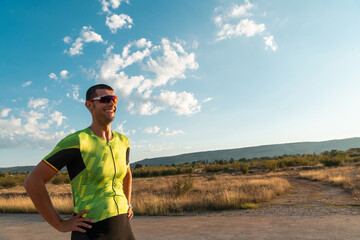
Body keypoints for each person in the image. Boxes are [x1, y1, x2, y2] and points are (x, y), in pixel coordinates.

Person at [24, 84, 136, 240]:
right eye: (105, 99)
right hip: (92, 231)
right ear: (90, 105)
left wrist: (127, 203)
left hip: (123, 228)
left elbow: (126, 173)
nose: (111, 103)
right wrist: (60, 224)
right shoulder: (77, 141)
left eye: (114, 99)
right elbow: (33, 181)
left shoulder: (123, 141)